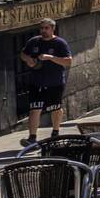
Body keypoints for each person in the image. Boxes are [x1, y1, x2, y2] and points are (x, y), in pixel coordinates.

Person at [20, 18, 73, 147]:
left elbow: (68, 61)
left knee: (55, 108)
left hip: (54, 82)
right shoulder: (34, 42)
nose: (43, 31)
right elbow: (23, 54)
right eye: (42, 28)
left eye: (46, 28)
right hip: (36, 82)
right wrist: (28, 60)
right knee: (34, 109)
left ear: (52, 29)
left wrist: (51, 58)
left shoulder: (60, 43)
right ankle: (32, 138)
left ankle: (55, 133)